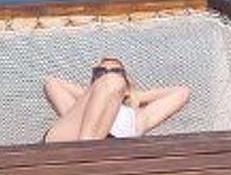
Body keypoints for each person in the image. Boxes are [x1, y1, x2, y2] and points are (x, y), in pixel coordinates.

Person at [41, 57, 190, 143]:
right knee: (112, 83)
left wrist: (134, 94)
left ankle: (88, 149)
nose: (107, 74)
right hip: (66, 143)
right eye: (100, 72)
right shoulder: (77, 110)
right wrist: (93, 94)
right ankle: (87, 149)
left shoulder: (136, 118)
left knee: (114, 83)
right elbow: (52, 84)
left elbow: (182, 92)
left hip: (96, 155)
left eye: (116, 71)